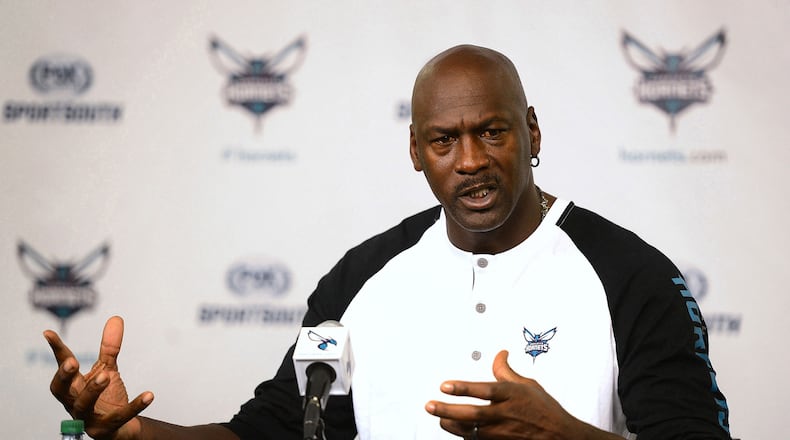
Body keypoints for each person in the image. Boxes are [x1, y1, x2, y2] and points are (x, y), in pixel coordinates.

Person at [44, 44, 731, 440]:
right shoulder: (360, 279)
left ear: (534, 134)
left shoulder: (630, 277)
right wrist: (136, 435)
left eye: (492, 132)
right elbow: (276, 432)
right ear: (415, 152)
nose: (469, 160)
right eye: (444, 140)